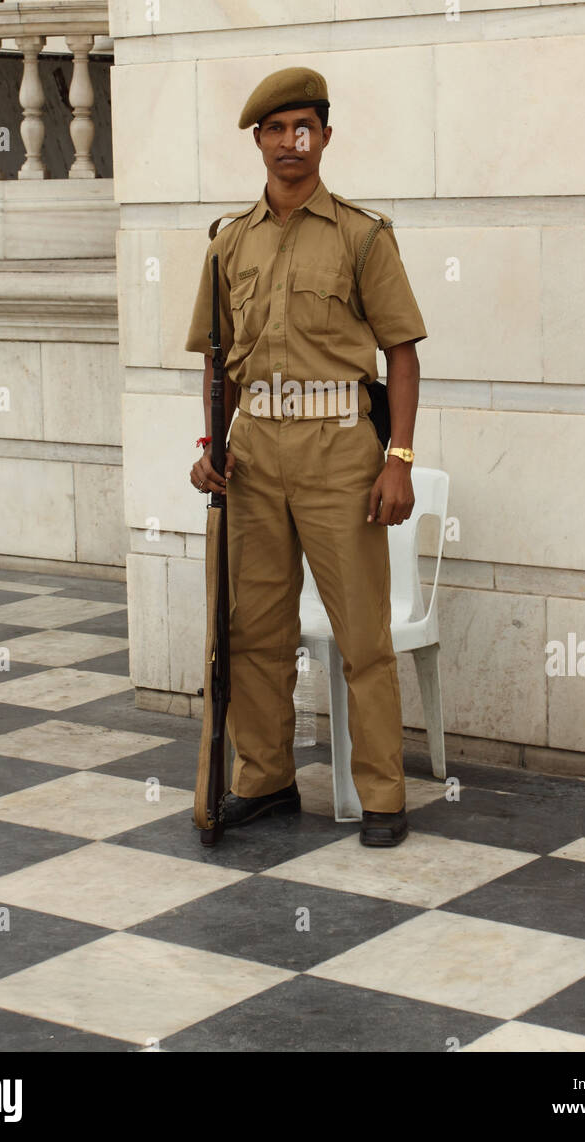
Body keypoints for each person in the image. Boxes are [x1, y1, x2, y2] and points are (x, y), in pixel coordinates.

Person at [185, 66, 427, 848]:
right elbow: (218, 361)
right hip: (253, 453)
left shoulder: (362, 235)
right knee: (253, 631)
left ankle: (383, 794)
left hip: (339, 452)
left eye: (305, 128)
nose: (292, 142)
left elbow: (401, 352)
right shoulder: (229, 243)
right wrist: (209, 446)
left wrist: (398, 456)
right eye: (277, 128)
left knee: (362, 633)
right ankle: (265, 781)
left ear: (324, 136)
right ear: (258, 140)